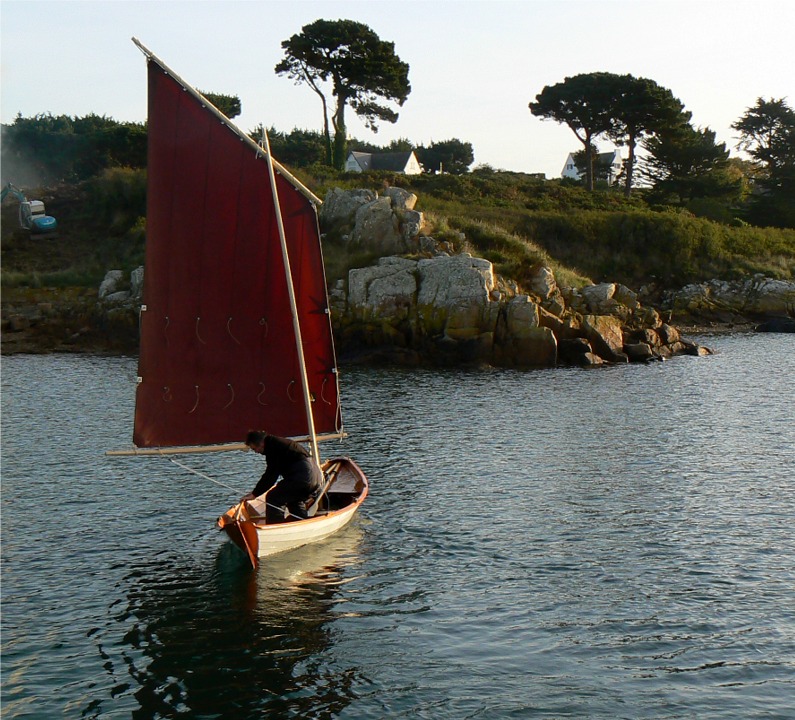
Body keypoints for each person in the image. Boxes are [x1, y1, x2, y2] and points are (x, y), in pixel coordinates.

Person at [241, 430, 322, 521]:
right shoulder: (279, 443)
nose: (256, 452)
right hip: (315, 477)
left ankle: (275, 526)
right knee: (294, 500)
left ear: (261, 443)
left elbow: (271, 475)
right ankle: (301, 521)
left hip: (303, 476)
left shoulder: (273, 447)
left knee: (273, 497)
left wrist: (255, 494)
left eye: (254, 449)